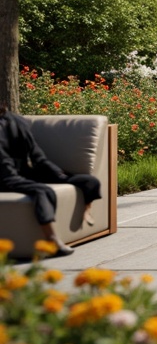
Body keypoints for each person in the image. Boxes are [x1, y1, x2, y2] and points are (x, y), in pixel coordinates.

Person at [0, 106, 102, 257]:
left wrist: (59, 175)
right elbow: (4, 164)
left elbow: (38, 157)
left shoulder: (15, 122)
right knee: (42, 191)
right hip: (5, 177)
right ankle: (52, 239)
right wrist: (16, 179)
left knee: (89, 181)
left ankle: (87, 211)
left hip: (20, 172)